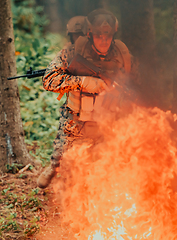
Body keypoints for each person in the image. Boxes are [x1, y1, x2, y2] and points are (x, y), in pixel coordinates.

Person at [37, 9, 137, 188]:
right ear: (90, 34)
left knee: (111, 176)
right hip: (75, 125)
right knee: (67, 171)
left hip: (108, 126)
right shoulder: (71, 52)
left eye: (108, 35)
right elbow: (48, 80)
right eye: (99, 35)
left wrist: (121, 91)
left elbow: (141, 88)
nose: (104, 40)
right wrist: (82, 82)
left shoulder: (123, 56)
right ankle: (54, 166)